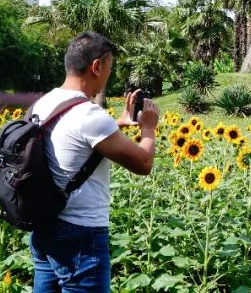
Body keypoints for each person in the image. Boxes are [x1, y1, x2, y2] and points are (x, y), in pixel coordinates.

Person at [29, 32, 160, 292]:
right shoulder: (90, 115)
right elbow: (143, 163)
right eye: (109, 67)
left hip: (44, 226)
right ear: (96, 66)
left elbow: (73, 137)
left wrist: (118, 122)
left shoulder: (43, 104)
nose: (109, 75)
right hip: (80, 236)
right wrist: (149, 129)